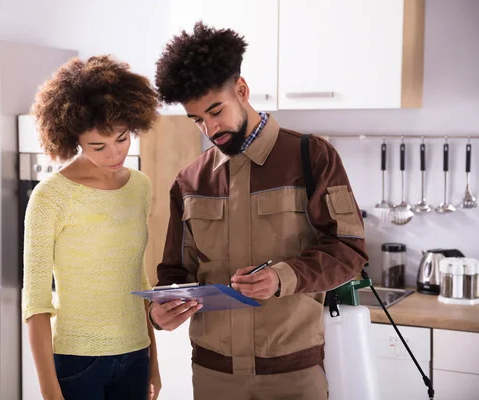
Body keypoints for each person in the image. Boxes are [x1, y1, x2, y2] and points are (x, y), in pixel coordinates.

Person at [148, 22, 369, 400]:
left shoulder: (313, 157)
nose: (209, 127)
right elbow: (175, 273)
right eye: (197, 119)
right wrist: (162, 310)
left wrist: (283, 277)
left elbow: (350, 251)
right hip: (213, 375)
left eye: (215, 111)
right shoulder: (189, 181)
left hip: (293, 375)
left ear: (242, 90)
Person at [23, 55, 161, 400]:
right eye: (97, 146)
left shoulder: (140, 186)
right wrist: (50, 393)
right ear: (73, 139)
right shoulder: (50, 196)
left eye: (122, 138)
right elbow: (36, 303)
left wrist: (153, 359)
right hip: (77, 362)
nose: (114, 154)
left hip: (135, 356)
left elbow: (136, 277)